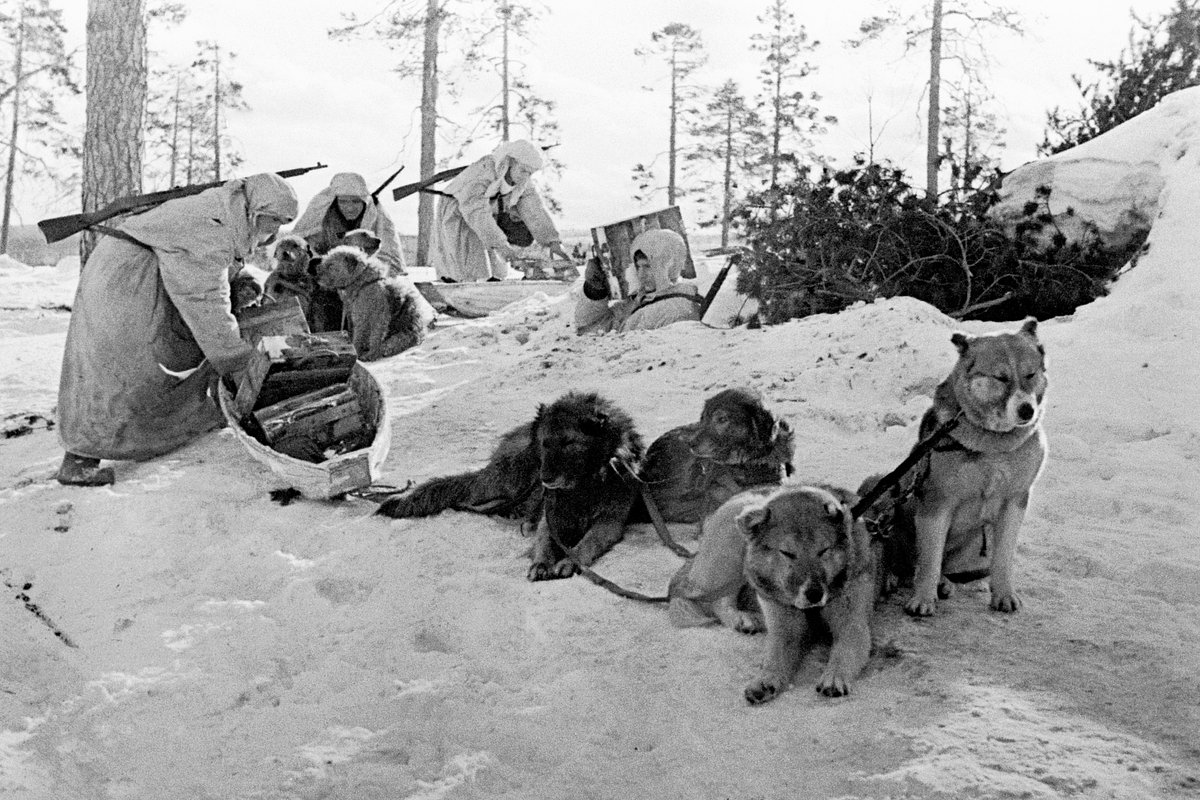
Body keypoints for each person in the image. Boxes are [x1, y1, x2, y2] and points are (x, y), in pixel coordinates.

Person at [55, 173, 299, 486]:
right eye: (271, 220)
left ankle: (157, 431)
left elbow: (210, 262)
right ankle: (79, 459)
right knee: (119, 368)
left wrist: (239, 280)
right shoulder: (214, 222)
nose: (274, 230)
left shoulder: (225, 211)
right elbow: (203, 298)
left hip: (139, 271)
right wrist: (237, 361)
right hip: (129, 280)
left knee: (145, 363)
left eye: (282, 222)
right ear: (253, 212)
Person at [429, 139, 572, 282]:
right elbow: (477, 213)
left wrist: (553, 243)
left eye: (530, 173)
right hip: (457, 211)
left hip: (486, 216)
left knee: (496, 270)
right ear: (509, 162)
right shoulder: (483, 173)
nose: (525, 177)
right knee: (468, 265)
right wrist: (502, 246)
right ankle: (463, 293)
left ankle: (494, 290)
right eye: (523, 170)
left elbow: (535, 213)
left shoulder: (523, 182)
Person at [575, 228, 702, 335]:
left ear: (670, 265)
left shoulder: (676, 309)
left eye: (648, 266)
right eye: (638, 267)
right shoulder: (641, 299)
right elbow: (590, 329)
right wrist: (594, 291)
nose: (641, 274)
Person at [291, 171, 406, 274]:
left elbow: (390, 262)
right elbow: (300, 251)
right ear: (335, 203)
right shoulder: (322, 222)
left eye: (356, 202)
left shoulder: (377, 218)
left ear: (364, 203)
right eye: (343, 202)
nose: (350, 208)